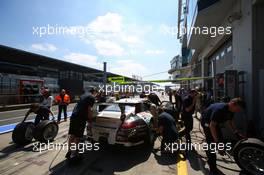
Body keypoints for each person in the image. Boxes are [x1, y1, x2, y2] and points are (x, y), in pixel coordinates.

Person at [201, 98, 246, 175]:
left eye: (239, 110)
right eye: (238, 109)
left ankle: (217, 148)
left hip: (214, 123)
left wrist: (236, 132)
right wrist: (217, 142)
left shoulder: (231, 110)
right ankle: (212, 168)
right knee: (211, 144)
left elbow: (230, 121)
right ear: (232, 104)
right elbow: (212, 126)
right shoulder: (219, 110)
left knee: (220, 138)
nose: (238, 111)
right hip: (207, 123)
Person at [66, 89, 96, 161]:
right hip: (80, 118)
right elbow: (90, 110)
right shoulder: (92, 97)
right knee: (77, 137)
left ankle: (69, 152)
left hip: (73, 116)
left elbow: (78, 106)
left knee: (72, 135)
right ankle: (73, 155)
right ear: (94, 92)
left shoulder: (83, 96)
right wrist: (90, 120)